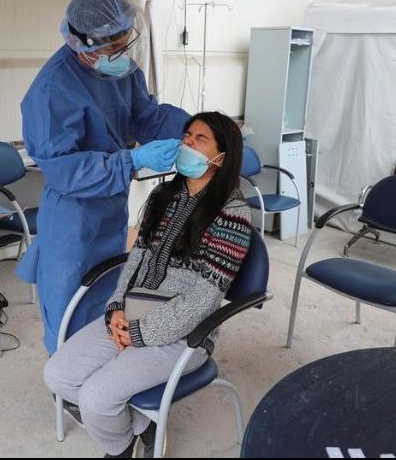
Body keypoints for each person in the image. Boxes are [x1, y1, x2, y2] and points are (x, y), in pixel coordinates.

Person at [44, 112, 253, 458]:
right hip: (133, 311)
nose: (187, 143)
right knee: (58, 376)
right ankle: (143, 426)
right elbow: (136, 258)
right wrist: (115, 308)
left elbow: (203, 298)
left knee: (96, 397)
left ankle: (121, 450)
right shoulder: (163, 196)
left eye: (200, 139)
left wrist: (140, 333)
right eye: (186, 135)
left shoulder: (231, 214)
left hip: (186, 334)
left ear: (222, 156)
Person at [17, 0, 191, 355]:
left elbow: (146, 116)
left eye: (125, 43)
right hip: (72, 214)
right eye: (113, 47)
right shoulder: (51, 91)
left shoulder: (121, 71)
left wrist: (194, 130)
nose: (122, 54)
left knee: (108, 295)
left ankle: (98, 367)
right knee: (67, 302)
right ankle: (66, 386)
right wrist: (132, 161)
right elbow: (64, 170)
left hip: (111, 205)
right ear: (83, 43)